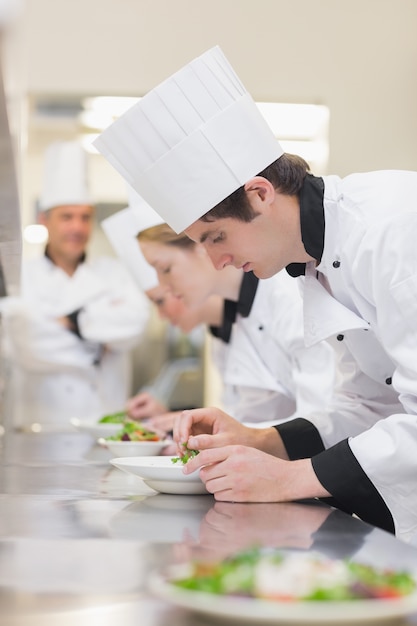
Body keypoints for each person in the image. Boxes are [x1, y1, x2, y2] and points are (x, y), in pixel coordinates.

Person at [93, 46, 417, 541]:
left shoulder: (392, 227)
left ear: (260, 193)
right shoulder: (313, 263)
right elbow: (368, 405)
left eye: (216, 237)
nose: (218, 262)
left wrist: (289, 477)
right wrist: (261, 439)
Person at [0, 140, 149, 430]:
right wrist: (99, 343)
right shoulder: (21, 279)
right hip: (39, 427)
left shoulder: (115, 273)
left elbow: (135, 325)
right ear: (44, 220)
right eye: (66, 217)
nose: (77, 228)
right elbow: (23, 345)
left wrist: (67, 322)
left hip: (104, 424)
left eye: (84, 217)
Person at [138, 222, 335, 426]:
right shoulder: (236, 319)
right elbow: (252, 415)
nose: (163, 285)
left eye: (165, 269)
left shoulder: (288, 298)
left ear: (200, 246)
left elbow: (323, 416)